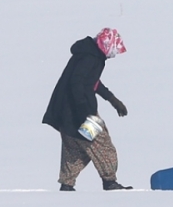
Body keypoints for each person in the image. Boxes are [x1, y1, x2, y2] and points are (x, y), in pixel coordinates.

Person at [42, 28, 132, 191]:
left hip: (66, 113)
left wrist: (111, 99)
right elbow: (77, 84)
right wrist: (85, 115)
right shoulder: (90, 58)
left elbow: (91, 81)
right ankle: (110, 182)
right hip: (80, 113)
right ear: (107, 45)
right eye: (115, 50)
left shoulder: (88, 54)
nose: (115, 54)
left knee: (75, 148)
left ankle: (67, 185)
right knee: (102, 144)